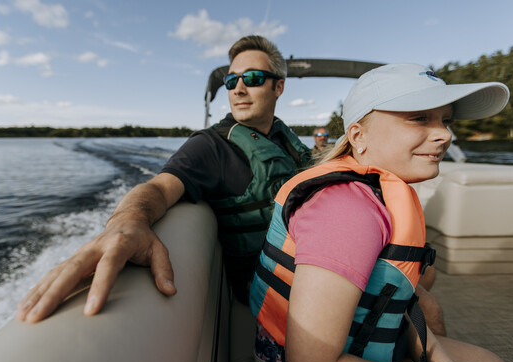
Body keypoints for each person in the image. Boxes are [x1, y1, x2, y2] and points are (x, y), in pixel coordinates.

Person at [16, 35, 311, 323]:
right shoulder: (210, 146)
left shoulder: (287, 140)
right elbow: (159, 186)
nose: (239, 89)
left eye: (253, 78)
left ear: (278, 86)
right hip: (273, 287)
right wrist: (127, 222)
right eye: (232, 81)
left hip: (312, 261)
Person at [249, 63, 513, 362]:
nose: (445, 134)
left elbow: (393, 300)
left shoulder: (378, 192)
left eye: (445, 120)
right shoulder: (346, 211)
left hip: (354, 345)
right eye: (419, 118)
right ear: (359, 137)